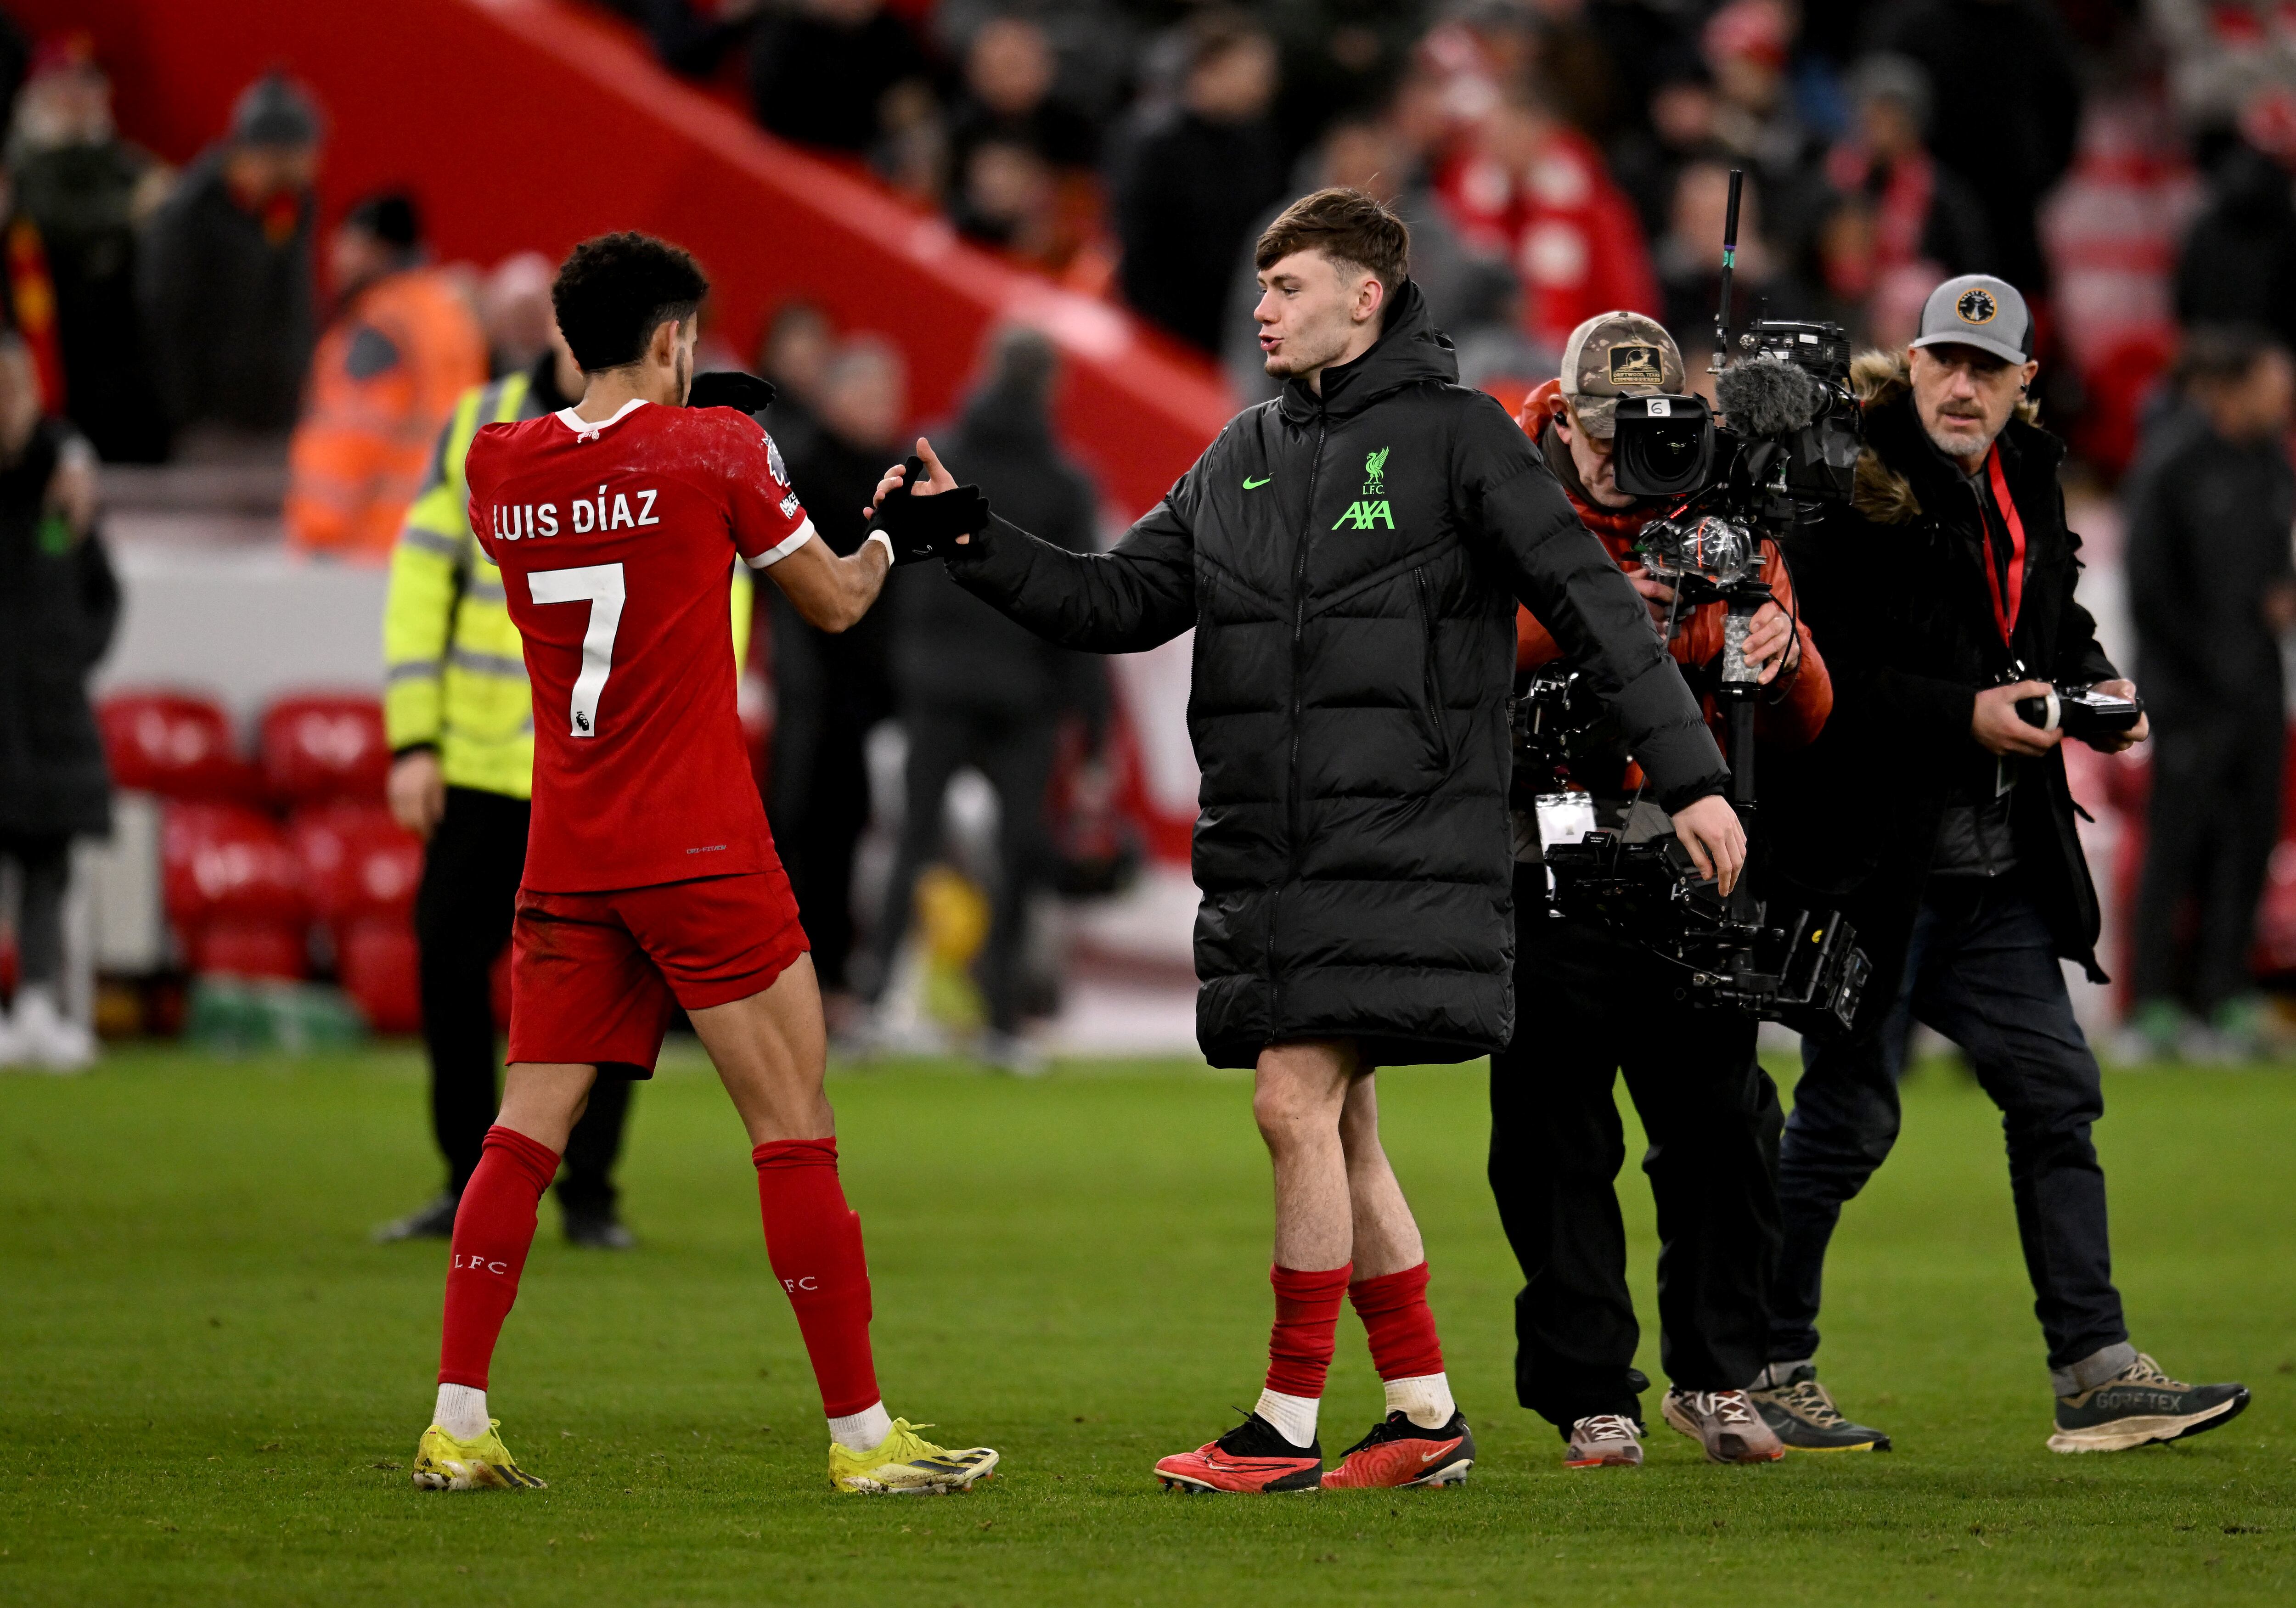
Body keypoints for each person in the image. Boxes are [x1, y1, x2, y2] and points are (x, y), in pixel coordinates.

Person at [876, 187, 1741, 1491]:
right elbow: (1117, 600)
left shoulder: (1463, 439)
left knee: (1294, 1100)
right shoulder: (1241, 452)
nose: (1262, 308)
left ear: (1366, 296)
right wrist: (966, 537)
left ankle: (1283, 1422)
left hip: (1408, 839)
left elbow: (1593, 604)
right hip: (1276, 852)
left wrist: (1693, 776)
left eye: (1287, 287)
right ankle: (1423, 1414)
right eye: (1261, 287)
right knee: (1339, 1128)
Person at [410, 231, 995, 1496]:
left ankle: (457, 1419)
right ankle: (861, 1435)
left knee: (522, 1133)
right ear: (676, 338)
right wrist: (898, 531)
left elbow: (604, 487)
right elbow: (836, 600)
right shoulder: (720, 449)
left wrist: (692, 445)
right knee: (795, 1129)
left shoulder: (495, 460)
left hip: (568, 846)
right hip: (699, 845)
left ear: (570, 336)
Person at [1761, 273, 2251, 1454]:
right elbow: (1814, 679)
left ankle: (2093, 1370)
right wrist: (1963, 717)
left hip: (1990, 869)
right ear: (1914, 363)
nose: (1964, 385)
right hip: (1870, 864)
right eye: (1946, 360)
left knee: (2056, 1093)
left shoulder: (2025, 478)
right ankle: (1760, 1364)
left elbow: (2050, 626)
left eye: (1990, 367)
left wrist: (2097, 692)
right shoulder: (1847, 485)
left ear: (2026, 383)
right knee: (1846, 1119)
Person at [1491, 314, 1832, 1469]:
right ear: (1562, 416)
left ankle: (1716, 1376)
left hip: (1699, 857)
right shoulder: (1498, 485)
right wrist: (1592, 624)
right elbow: (1457, 649)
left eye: (1639, 436)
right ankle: (1593, 1392)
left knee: (1723, 1134)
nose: (1615, 460)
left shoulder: (1719, 501)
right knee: (1554, 1136)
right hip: (1546, 844)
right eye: (1597, 437)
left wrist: (1782, 656)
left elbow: (1809, 714)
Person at [376, 319, 745, 1248]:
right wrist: (412, 740)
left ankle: (589, 1194)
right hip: (485, 765)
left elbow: (717, 596)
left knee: (621, 989)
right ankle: (468, 1182)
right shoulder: (483, 422)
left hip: (610, 777)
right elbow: (422, 578)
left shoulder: (673, 436)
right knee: (450, 970)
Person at [862, 325, 1106, 1071]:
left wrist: (905, 667)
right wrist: (1093, 733)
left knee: (912, 844)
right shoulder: (1063, 480)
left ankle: (875, 1006)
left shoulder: (939, 455)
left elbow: (889, 568)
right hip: (1023, 695)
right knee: (1014, 854)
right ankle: (1002, 1021)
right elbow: (1079, 609)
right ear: (1052, 387)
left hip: (935, 685)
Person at [2121, 326, 2296, 1060]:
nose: (2282, 404)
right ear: (2231, 388)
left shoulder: (2270, 464)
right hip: (2187, 693)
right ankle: (2154, 1005)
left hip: (2257, 688)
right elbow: (2149, 587)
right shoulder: (2171, 464)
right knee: (2177, 847)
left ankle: (2225, 996)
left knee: (2247, 846)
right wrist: (2194, 672)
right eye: (2272, 389)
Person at [768, 337, 904, 1015]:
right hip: (812, 690)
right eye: (871, 394)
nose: (885, 409)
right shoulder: (804, 470)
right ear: (836, 397)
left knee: (848, 836)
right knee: (807, 832)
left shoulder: (896, 478)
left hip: (874, 691)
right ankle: (800, 974)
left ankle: (843, 974)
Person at [0, 330, 111, 1072]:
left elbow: (104, 594)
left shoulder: (63, 487)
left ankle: (40, 1003)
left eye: (16, 391)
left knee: (47, 866)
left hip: (47, 715)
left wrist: (65, 660)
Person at [285, 192, 488, 561]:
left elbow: (349, 438)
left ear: (379, 250)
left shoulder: (379, 329)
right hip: (436, 536)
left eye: (349, 245)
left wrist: (319, 538)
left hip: (367, 547)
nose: (336, 259)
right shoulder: (449, 317)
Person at [4, 30, 172, 462]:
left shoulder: (128, 166)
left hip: (130, 382)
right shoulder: (20, 170)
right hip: (50, 367)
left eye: (89, 84)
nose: (79, 97)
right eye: (65, 85)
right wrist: (130, 214)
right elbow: (51, 220)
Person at [137, 71, 320, 456]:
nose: (309, 170)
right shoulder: (190, 217)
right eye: (300, 157)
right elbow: (165, 319)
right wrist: (188, 413)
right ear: (267, 155)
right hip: (213, 429)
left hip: (283, 422)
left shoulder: (290, 208)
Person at [1111, 12, 1288, 355]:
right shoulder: (1155, 144)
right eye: (1251, 72)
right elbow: (1139, 247)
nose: (1263, 85)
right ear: (1210, 69)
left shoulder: (1262, 148)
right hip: (1153, 331)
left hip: (1228, 336)